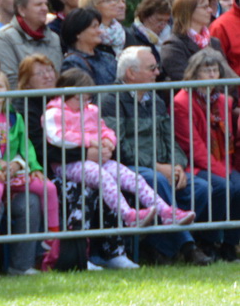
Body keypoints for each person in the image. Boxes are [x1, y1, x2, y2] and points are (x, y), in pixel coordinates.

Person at [44, 80, 200, 263]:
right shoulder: (54, 113)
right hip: (69, 164)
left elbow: (105, 130)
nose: (84, 103)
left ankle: (166, 212)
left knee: (130, 177)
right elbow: (57, 137)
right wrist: (90, 143)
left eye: (86, 98)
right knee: (104, 177)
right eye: (79, 98)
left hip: (99, 159)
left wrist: (109, 141)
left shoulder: (91, 110)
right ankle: (128, 215)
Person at [101, 44, 208, 264]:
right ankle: (187, 247)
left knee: (201, 187)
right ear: (131, 73)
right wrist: (157, 166)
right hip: (129, 166)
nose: (158, 73)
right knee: (155, 179)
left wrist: (177, 165)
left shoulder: (155, 100)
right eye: (152, 68)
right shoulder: (110, 100)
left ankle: (163, 249)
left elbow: (170, 138)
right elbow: (119, 147)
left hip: (161, 165)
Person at [0, 69, 57, 275]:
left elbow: (26, 146)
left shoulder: (15, 118)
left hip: (14, 173)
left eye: (0, 86)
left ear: (8, 90)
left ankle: (50, 237)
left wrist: (31, 166)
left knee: (47, 188)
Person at [173, 47, 240, 259]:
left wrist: (226, 169)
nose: (212, 75)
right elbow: (193, 146)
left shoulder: (223, 101)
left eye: (215, 70)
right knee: (222, 186)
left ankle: (230, 244)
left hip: (221, 162)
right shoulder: (182, 101)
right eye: (206, 70)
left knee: (237, 185)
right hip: (194, 164)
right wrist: (222, 171)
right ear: (193, 73)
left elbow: (227, 139)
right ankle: (209, 241)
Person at [0, 0, 61, 88]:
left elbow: (58, 77)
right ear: (22, 10)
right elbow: (8, 81)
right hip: (22, 103)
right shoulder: (5, 37)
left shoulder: (54, 38)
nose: (45, 8)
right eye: (38, 5)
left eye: (46, 4)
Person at [159, 0, 214, 82]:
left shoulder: (214, 42)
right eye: (205, 7)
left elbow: (226, 76)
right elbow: (184, 79)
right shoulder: (172, 46)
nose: (210, 10)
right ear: (189, 11)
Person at [58, 8, 116, 85]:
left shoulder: (108, 57)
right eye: (94, 27)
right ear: (77, 33)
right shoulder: (72, 63)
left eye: (99, 26)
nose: (100, 31)